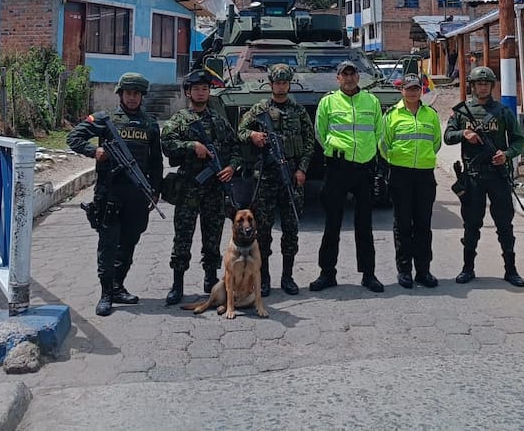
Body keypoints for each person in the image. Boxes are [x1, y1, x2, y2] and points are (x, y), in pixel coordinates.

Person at [67, 72, 163, 317]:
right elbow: (73, 137)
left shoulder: (150, 124)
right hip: (110, 192)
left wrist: (156, 190)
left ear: (142, 96)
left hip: (138, 195)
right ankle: (105, 293)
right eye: (128, 93)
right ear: (120, 94)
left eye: (137, 94)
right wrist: (94, 151)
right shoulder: (105, 119)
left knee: (130, 241)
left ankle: (118, 286)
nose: (132, 98)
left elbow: (155, 162)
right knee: (108, 244)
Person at [160, 68, 239, 306]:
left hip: (214, 189)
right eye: (196, 89)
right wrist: (191, 145)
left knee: (212, 236)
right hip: (189, 188)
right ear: (188, 92)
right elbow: (167, 145)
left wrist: (232, 167)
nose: (201, 93)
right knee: (183, 237)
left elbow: (235, 146)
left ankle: (210, 278)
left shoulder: (218, 120)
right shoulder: (180, 120)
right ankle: (177, 284)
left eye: (205, 89)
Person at [444, 65, 524, 287]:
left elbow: (519, 140)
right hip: (472, 177)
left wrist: (506, 155)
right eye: (479, 83)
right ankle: (467, 268)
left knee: (504, 225)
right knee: (471, 224)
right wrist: (465, 133)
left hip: (498, 176)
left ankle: (511, 269)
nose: (482, 87)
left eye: (486, 83)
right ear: (472, 86)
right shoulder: (461, 112)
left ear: (492, 86)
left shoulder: (503, 112)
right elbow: (448, 137)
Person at [236, 63, 314, 296]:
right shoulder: (259, 109)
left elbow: (310, 144)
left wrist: (302, 170)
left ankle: (288, 277)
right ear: (270, 85)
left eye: (284, 82)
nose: (281, 86)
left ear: (289, 84)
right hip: (267, 178)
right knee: (264, 231)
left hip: (291, 175)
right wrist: (253, 134)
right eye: (277, 83)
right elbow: (240, 132)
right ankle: (264, 277)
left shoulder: (298, 112)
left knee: (290, 230)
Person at [309, 59, 386, 293]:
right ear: (338, 78)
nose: (349, 78)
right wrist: (334, 151)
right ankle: (327, 273)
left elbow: (379, 132)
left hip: (363, 170)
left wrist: (369, 154)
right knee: (332, 224)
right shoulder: (328, 102)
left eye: (353, 74)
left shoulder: (371, 101)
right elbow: (320, 132)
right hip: (337, 169)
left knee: (365, 225)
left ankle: (369, 274)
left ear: (358, 77)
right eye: (345, 74)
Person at [380, 73, 443, 289]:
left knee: (424, 225)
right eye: (409, 88)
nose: (413, 92)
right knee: (403, 224)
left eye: (416, 88)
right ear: (402, 91)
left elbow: (436, 142)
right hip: (400, 174)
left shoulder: (431, 115)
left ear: (421, 90)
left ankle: (424, 271)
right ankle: (405, 270)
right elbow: (384, 144)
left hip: (425, 175)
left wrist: (422, 159)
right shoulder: (392, 115)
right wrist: (398, 160)